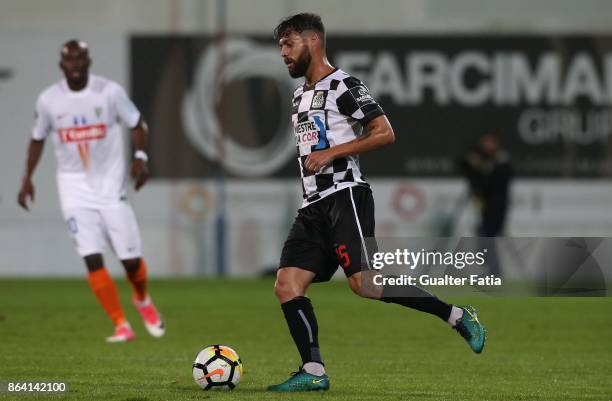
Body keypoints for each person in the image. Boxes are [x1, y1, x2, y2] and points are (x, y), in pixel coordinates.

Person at [269, 13, 486, 392]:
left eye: (289, 44)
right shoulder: (299, 94)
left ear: (313, 41)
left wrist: (334, 152)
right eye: (281, 47)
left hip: (344, 196)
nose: (284, 54)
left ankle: (456, 315)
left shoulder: (344, 85)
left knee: (366, 285)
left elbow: (384, 132)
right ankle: (313, 372)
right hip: (313, 205)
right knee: (287, 284)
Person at [17, 40, 165, 343]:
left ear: (88, 61)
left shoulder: (108, 93)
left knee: (131, 261)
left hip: (110, 188)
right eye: (69, 61)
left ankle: (142, 299)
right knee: (92, 257)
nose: (74, 65)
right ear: (62, 65)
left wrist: (140, 158)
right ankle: (121, 324)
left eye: (79, 59)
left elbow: (138, 124)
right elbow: (37, 139)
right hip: (73, 189)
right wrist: (27, 179)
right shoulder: (49, 100)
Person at [460, 133, 512, 237]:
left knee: (492, 230)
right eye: (485, 142)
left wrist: (483, 166)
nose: (488, 145)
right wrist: (473, 163)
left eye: (490, 142)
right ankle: (485, 249)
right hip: (482, 200)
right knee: (482, 230)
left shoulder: (501, 158)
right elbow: (464, 166)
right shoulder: (479, 156)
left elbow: (501, 177)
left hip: (497, 202)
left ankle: (489, 249)